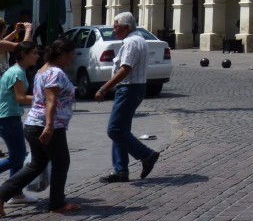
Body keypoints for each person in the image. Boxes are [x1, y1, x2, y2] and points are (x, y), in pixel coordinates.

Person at [0, 37, 80, 216]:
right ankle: (57, 203)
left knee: (36, 164)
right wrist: (50, 126)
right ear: (63, 54)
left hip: (34, 124)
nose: (73, 58)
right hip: (47, 125)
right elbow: (50, 101)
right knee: (61, 162)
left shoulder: (42, 70)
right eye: (71, 54)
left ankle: (2, 194)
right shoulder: (55, 73)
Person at [95, 13, 159, 182]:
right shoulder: (138, 40)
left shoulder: (131, 42)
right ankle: (120, 169)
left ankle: (146, 155)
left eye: (116, 26)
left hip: (129, 88)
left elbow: (125, 69)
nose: (114, 30)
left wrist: (103, 88)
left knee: (114, 130)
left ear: (126, 27)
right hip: (134, 88)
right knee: (121, 130)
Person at [0, 42, 40, 204]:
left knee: (18, 155)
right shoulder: (17, 72)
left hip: (9, 117)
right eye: (35, 53)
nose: (38, 56)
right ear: (23, 54)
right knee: (17, 157)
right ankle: (13, 192)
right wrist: (45, 98)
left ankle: (15, 193)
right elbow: (20, 98)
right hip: (8, 118)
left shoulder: (17, 70)